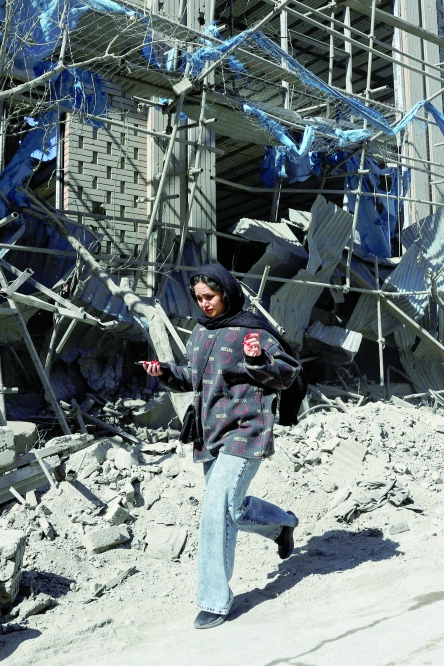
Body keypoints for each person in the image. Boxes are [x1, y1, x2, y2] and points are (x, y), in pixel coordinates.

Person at [142, 262, 302, 630]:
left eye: (210, 296)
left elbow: (286, 373)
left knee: (215, 509)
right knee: (230, 508)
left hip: (247, 430)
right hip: (210, 434)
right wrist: (165, 371)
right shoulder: (200, 332)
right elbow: (194, 378)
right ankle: (281, 525)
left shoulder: (252, 331)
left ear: (227, 293)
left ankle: (215, 600)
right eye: (198, 298)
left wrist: (257, 360)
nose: (204, 304)